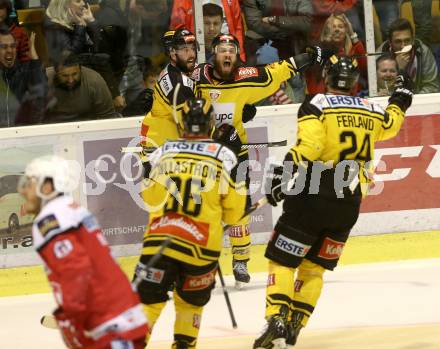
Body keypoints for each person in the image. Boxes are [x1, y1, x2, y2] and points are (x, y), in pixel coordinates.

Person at [253, 55, 413, 349]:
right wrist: (400, 99)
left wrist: (283, 174)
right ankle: (295, 326)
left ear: (327, 77)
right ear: (354, 83)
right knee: (314, 269)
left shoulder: (317, 104)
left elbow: (310, 146)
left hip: (312, 195)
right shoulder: (371, 109)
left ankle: (277, 318)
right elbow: (391, 124)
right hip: (348, 202)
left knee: (282, 261)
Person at [192, 33, 331, 287]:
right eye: (221, 49)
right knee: (204, 210)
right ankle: (201, 262)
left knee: (239, 210)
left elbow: (277, 71)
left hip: (235, 156)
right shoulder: (197, 77)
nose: (227, 54)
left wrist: (308, 57)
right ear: (213, 55)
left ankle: (240, 261)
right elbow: (180, 108)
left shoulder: (247, 77)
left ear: (237, 55)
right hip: (204, 156)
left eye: (231, 49)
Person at [136, 98, 247, 348]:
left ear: (182, 122)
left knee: (148, 303)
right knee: (190, 304)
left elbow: (149, 197)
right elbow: (234, 212)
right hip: (202, 247)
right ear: (209, 124)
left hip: (160, 242)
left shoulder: (163, 152)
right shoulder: (223, 155)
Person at [18, 155, 149, 349]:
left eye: (30, 184)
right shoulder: (71, 210)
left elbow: (75, 270)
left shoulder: (50, 219)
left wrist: (74, 317)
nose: (24, 191)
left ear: (46, 188)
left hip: (107, 326)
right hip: (122, 317)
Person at [44, 0, 126, 111]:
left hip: (97, 71)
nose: (83, 4)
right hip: (72, 80)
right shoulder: (53, 26)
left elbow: (105, 51)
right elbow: (70, 56)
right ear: (64, 4)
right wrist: (80, 27)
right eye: (78, 1)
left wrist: (92, 22)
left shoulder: (80, 19)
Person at [139, 29, 197, 148]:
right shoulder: (176, 82)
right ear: (172, 52)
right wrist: (220, 134)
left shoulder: (181, 70)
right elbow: (193, 126)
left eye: (192, 48)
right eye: (184, 49)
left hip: (165, 142)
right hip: (159, 146)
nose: (190, 54)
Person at [44, 53, 118, 122]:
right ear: (56, 73)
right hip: (53, 128)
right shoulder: (44, 81)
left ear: (80, 70)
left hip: (88, 127)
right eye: (65, 76)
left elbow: (108, 117)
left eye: (75, 74)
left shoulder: (95, 81)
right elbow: (36, 119)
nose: (71, 80)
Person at [305, 13, 367, 95]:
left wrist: (352, 34)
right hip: (325, 103)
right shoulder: (318, 53)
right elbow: (313, 80)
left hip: (350, 101)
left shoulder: (352, 52)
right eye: (333, 27)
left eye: (340, 27)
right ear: (326, 31)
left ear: (346, 30)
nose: (337, 29)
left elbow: (366, 67)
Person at [377, 18, 440, 94]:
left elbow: (432, 86)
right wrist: (398, 68)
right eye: (398, 41)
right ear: (390, 43)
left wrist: (412, 99)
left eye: (407, 40)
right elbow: (379, 88)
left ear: (413, 40)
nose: (403, 46)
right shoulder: (380, 55)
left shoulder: (423, 52)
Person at [170, 0, 246, 61]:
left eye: (216, 24)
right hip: (196, 48)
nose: (211, 28)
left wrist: (240, 55)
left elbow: (238, 28)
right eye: (206, 23)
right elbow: (177, 28)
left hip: (226, 46)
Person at [0, 29, 47, 127]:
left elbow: (42, 93)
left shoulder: (25, 71)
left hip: (23, 133)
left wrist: (34, 58)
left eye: (13, 46)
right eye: (4, 47)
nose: (9, 50)